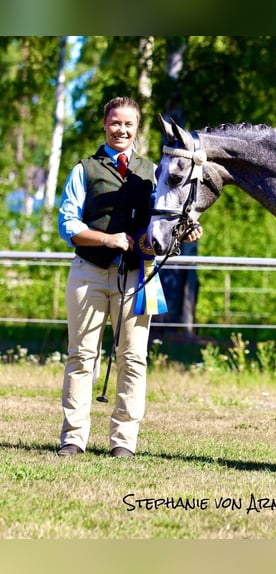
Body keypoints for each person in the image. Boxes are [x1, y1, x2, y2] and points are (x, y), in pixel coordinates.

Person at [56, 96, 202, 458]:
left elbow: (160, 224)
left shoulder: (152, 172)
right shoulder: (84, 169)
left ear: (137, 128)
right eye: (115, 123)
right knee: (81, 358)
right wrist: (106, 238)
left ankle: (124, 442)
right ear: (105, 125)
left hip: (136, 276)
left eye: (128, 124)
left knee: (133, 359)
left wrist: (183, 232)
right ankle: (73, 438)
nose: (121, 130)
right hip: (87, 274)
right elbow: (68, 224)